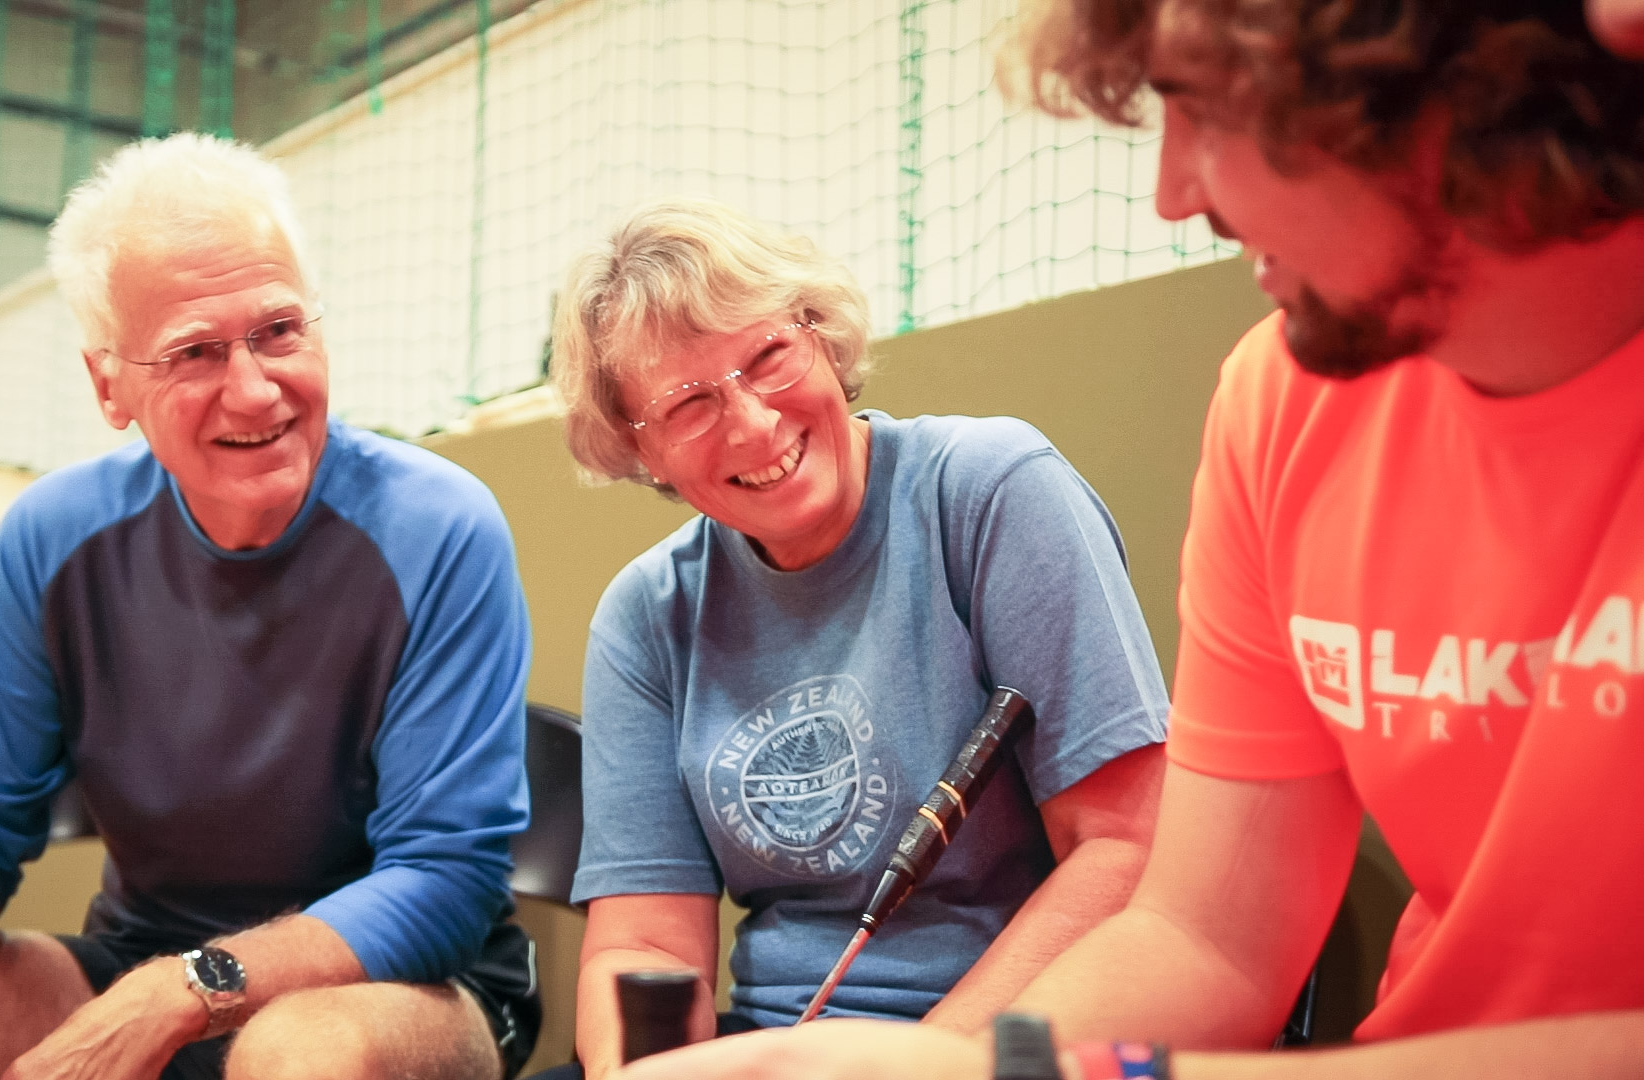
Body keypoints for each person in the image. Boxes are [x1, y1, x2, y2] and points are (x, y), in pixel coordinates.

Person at [608, 3, 1644, 1079]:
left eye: (1206, 114)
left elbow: (1130, 873)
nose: (1174, 192)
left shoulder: (991, 483)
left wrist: (946, 1069)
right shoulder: (1280, 402)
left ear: (1418, 83)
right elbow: (1204, 939)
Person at [0, 133, 540, 1080]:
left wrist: (181, 991)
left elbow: (443, 885)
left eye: (279, 330)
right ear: (109, 384)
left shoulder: (440, 526)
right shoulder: (52, 538)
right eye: (194, 352)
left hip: (406, 990)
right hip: (134, 957)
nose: (254, 387)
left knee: (294, 1056)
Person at [544, 197, 1172, 1079]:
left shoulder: (993, 493)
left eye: (769, 356)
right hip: (773, 1048)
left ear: (824, 340)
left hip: (1019, 1039)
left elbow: (1125, 853)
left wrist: (920, 1068)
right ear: (640, 452)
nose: (755, 424)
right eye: (687, 406)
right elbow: (644, 942)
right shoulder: (649, 613)